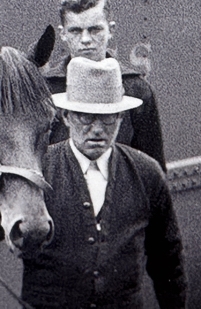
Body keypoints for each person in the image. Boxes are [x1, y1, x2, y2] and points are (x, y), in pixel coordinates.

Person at [22, 56, 186, 309]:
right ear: (66, 117)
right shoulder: (38, 170)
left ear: (121, 118)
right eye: (86, 117)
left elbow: (168, 261)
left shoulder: (146, 173)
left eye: (108, 118)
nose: (97, 129)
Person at [46, 0, 167, 169]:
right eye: (75, 31)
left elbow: (153, 168)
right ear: (62, 33)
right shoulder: (44, 89)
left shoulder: (137, 91)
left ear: (111, 30)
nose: (85, 39)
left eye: (95, 30)